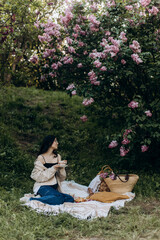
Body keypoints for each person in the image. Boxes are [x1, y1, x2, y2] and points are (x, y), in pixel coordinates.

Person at [29, 135, 74, 205]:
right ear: (50, 143)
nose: (57, 143)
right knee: (59, 197)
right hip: (43, 186)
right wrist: (54, 168)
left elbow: (62, 178)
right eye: (55, 141)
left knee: (70, 198)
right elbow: (38, 177)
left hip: (55, 187)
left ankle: (50, 198)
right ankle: (33, 199)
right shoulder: (41, 157)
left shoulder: (57, 156)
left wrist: (62, 167)